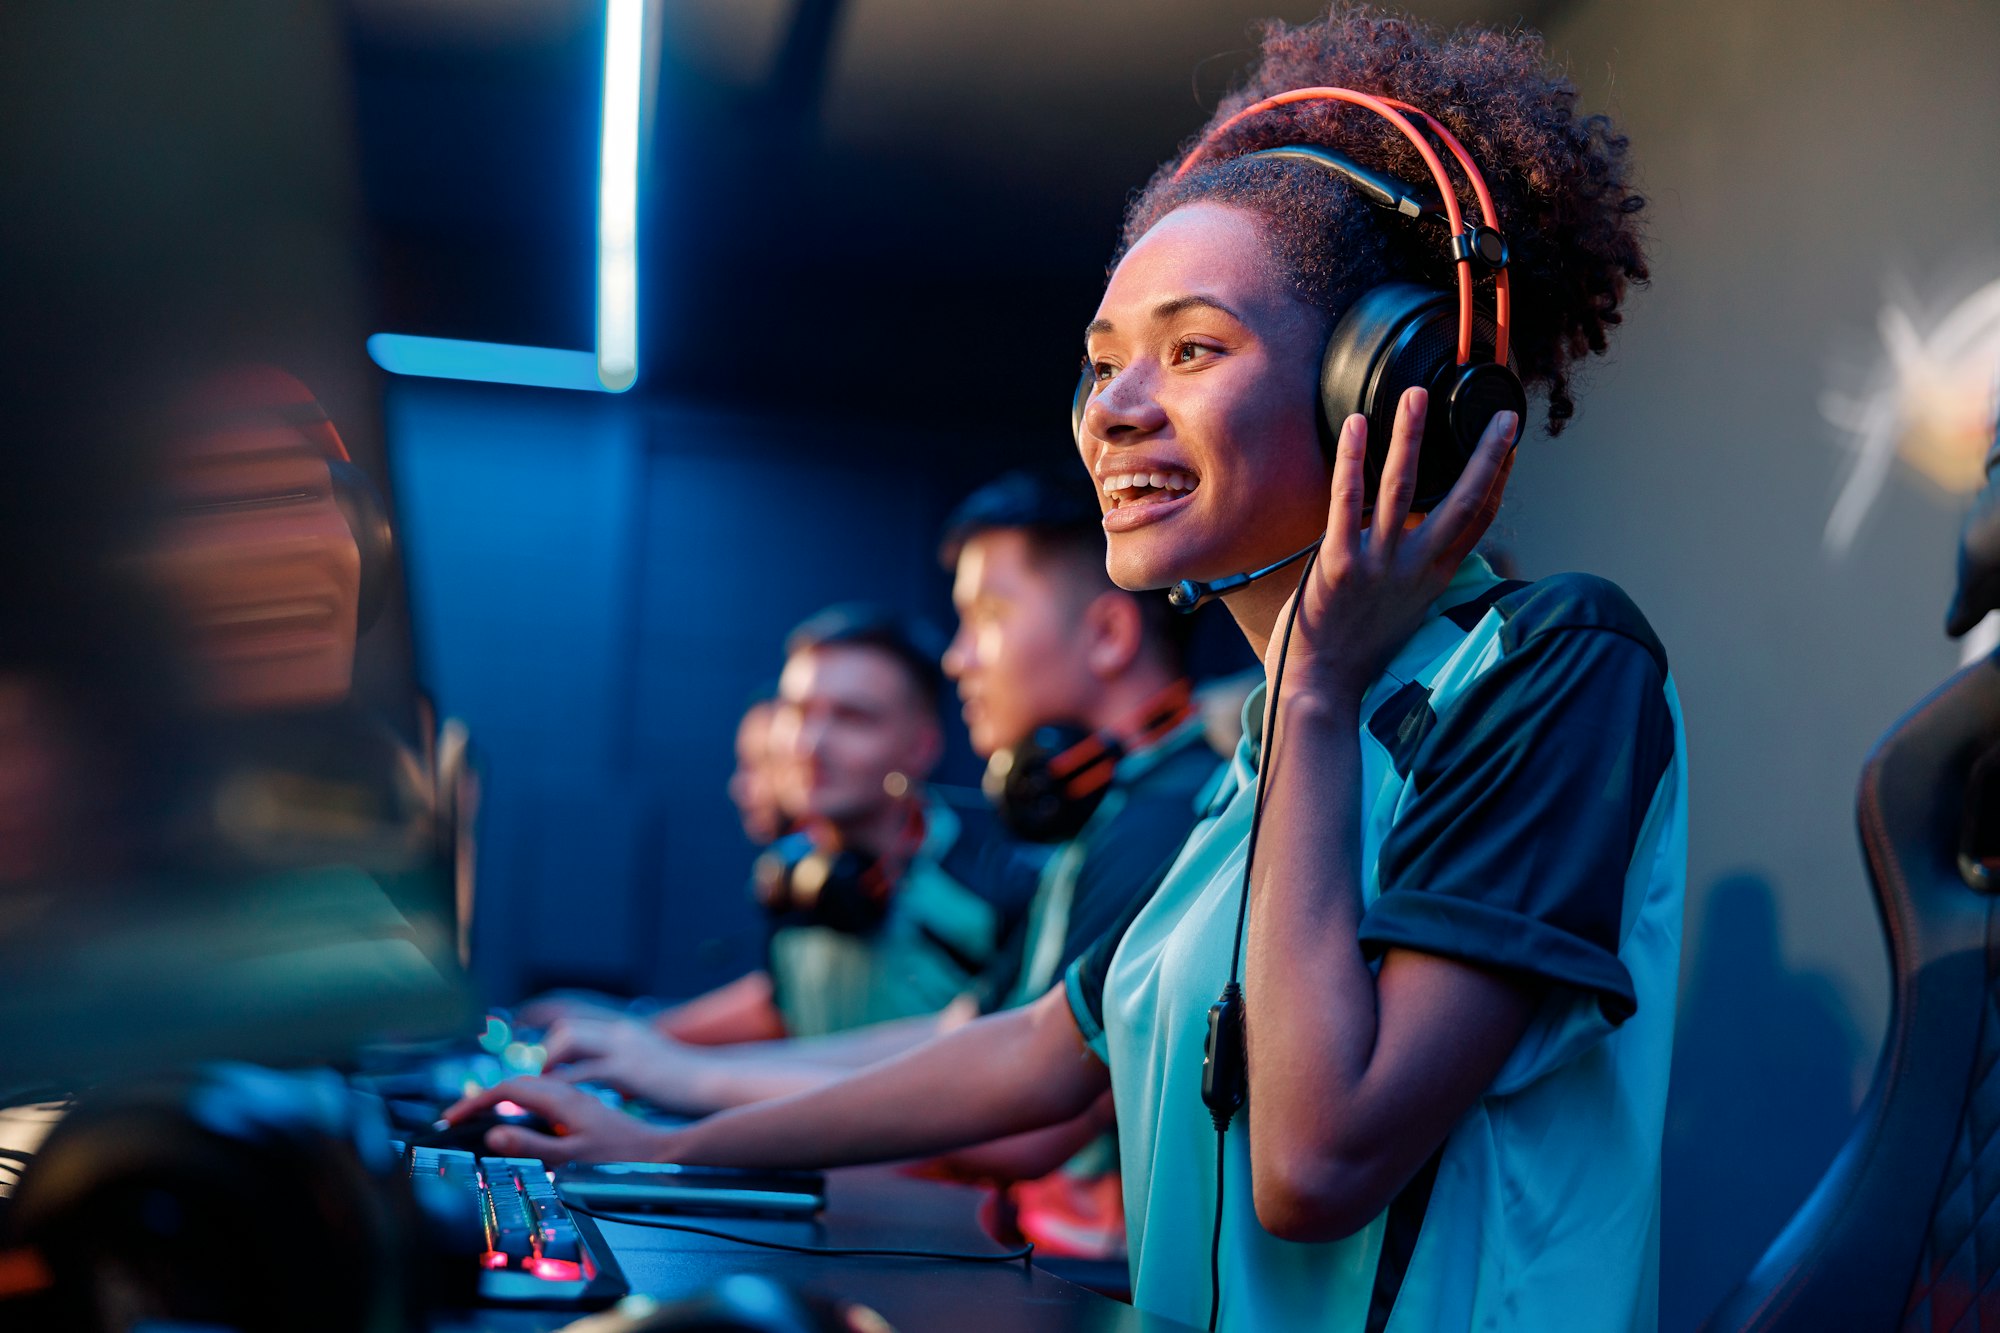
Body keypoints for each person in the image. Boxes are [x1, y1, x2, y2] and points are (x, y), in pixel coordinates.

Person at [450, 9, 1678, 1331]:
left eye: (1194, 349)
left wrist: (1319, 690)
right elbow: (1040, 1047)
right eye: (1102, 366)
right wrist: (651, 1150)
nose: (1118, 407)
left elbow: (1318, 1162)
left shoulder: (1551, 668)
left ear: (1373, 388)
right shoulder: (1261, 752)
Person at [529, 474, 1221, 1253]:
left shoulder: (1168, 817)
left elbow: (1028, 1116)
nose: (959, 658)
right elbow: (963, 1035)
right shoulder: (1114, 816)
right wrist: (667, 1063)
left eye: (985, 618)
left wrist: (685, 1102)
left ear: (1106, 635)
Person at [621, 604, 1032, 1045]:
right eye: (797, 712)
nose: (809, 743)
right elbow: (783, 1008)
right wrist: (635, 1034)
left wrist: (680, 1071)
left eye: (852, 718)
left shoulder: (993, 888)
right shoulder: (795, 874)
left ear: (921, 747)